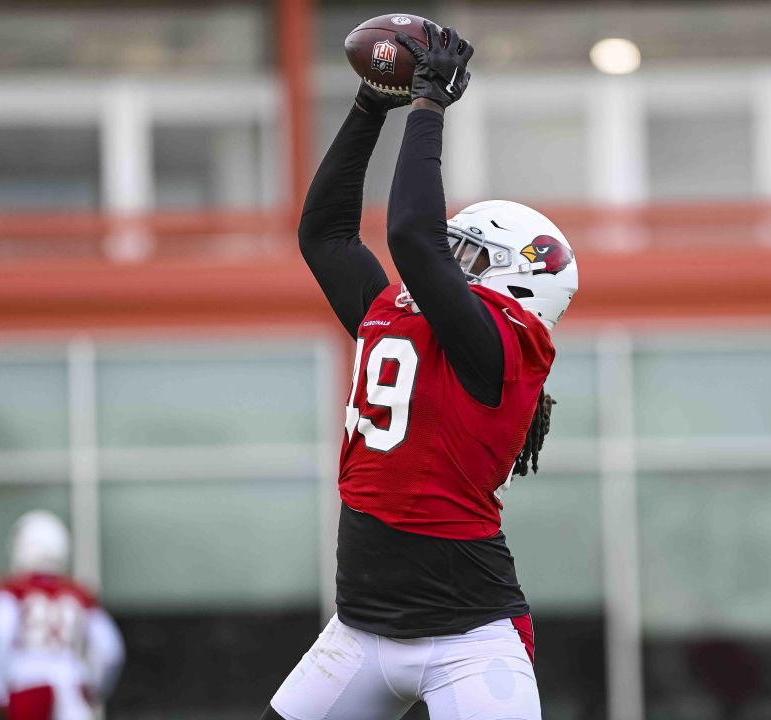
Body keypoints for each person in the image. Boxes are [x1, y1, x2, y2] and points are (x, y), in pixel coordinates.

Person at [261, 19, 578, 720]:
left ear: (521, 283)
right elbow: (327, 235)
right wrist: (371, 104)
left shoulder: (503, 345)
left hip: (469, 641)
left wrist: (429, 104)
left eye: (472, 256)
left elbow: (411, 235)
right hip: (359, 628)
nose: (451, 267)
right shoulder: (403, 318)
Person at [0, 510, 125, 720]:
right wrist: (95, 685)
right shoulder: (80, 594)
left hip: (26, 687)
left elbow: (1, 636)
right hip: (71, 688)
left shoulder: (12, 592)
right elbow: (110, 650)